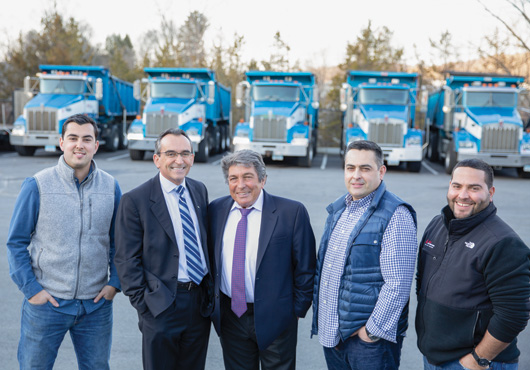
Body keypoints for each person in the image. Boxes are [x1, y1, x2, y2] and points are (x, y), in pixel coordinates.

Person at [6, 114, 121, 370]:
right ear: (61, 142)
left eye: (86, 139)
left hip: (96, 307)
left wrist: (114, 283)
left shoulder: (111, 187)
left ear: (96, 145)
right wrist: (32, 290)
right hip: (48, 304)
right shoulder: (37, 185)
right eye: (73, 138)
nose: (79, 145)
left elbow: (119, 243)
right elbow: (16, 243)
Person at [311, 140, 418, 370]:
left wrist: (371, 332)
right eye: (350, 168)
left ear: (381, 171)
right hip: (335, 337)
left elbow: (398, 285)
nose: (356, 175)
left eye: (365, 168)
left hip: (369, 345)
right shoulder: (340, 209)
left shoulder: (396, 215)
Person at [416, 158, 530, 370]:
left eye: (474, 188)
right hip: (434, 358)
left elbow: (514, 315)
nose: (463, 195)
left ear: (491, 192)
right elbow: (422, 283)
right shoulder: (437, 225)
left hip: (476, 362)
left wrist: (478, 360)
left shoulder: (503, 243)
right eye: (457, 186)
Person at [208, 149, 316, 370]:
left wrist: (295, 311)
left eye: (248, 177)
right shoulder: (216, 210)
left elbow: (306, 267)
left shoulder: (291, 212)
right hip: (231, 317)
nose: (241, 185)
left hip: (277, 317)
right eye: (233, 178)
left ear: (263, 179)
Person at [115, 128, 213, 370]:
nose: (179, 160)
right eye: (171, 153)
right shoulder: (135, 200)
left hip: (199, 302)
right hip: (161, 305)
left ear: (192, 157)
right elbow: (126, 259)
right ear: (157, 159)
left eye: (185, 153)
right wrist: (145, 305)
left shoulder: (199, 190)